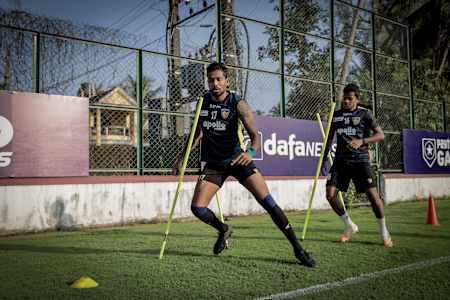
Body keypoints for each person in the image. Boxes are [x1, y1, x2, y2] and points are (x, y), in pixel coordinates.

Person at [173, 62, 315, 267]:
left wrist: (250, 152)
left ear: (227, 81)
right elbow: (196, 133)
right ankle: (223, 229)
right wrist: (182, 157)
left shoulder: (237, 102)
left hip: (238, 160)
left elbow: (255, 136)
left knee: (268, 202)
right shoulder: (202, 102)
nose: (215, 83)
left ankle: (298, 249)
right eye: (211, 79)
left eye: (219, 79)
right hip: (214, 164)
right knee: (198, 208)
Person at [322, 83, 393, 247]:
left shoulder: (365, 114)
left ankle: (384, 232)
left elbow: (380, 135)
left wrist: (362, 141)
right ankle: (349, 225)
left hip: (360, 160)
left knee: (374, 198)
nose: (346, 101)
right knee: (330, 195)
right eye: (344, 98)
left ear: (356, 99)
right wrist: (324, 158)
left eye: (349, 99)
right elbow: (329, 139)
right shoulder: (336, 115)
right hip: (340, 161)